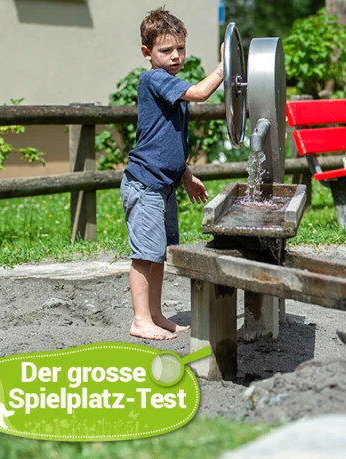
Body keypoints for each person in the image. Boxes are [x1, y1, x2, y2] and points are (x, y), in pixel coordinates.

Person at [122, 8, 223, 340]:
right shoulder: (154, 79)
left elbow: (169, 140)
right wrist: (225, 67)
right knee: (144, 254)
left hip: (164, 184)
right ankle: (140, 320)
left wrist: (185, 175)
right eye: (166, 51)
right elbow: (201, 93)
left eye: (180, 48)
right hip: (144, 184)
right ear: (146, 53)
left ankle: (155, 314)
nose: (176, 56)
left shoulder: (170, 87)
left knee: (159, 253)